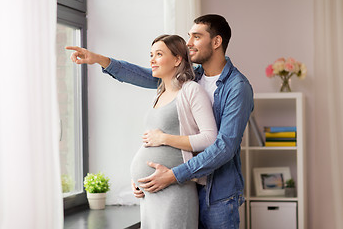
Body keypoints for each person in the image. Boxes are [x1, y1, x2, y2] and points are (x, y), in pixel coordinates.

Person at [67, 14, 254, 229]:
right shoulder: (193, 76)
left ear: (216, 42)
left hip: (216, 193)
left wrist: (174, 175)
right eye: (188, 36)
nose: (189, 43)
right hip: (184, 186)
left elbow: (224, 146)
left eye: (196, 37)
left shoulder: (237, 87)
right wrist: (100, 60)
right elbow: (148, 75)